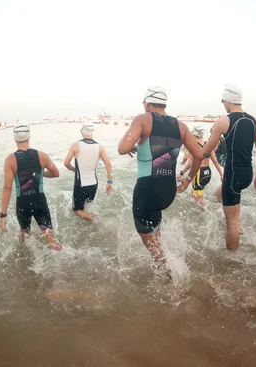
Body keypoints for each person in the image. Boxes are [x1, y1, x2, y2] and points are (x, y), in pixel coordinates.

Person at [117, 86, 203, 268]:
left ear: (148, 103)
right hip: (168, 190)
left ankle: (167, 273)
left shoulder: (143, 119)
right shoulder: (181, 126)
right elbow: (199, 155)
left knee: (147, 239)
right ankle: (168, 263)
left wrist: (134, 145)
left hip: (148, 188)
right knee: (154, 231)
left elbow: (122, 148)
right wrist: (187, 180)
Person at [203, 84, 256, 250]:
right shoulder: (255, 122)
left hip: (233, 174)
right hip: (247, 173)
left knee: (231, 220)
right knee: (219, 194)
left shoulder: (224, 121)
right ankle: (236, 224)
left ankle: (232, 256)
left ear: (227, 100)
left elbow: (206, 151)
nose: (223, 104)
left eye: (222, 101)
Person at [0, 124, 62, 251]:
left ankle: (28, 262)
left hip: (23, 204)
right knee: (50, 237)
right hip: (39, 201)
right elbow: (56, 174)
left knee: (25, 234)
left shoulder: (10, 160)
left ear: (15, 139)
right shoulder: (42, 156)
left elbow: (7, 188)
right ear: (29, 137)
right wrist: (40, 173)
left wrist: (4, 215)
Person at [63, 124, 113, 222]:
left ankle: (96, 221)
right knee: (89, 204)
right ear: (92, 133)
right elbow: (108, 164)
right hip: (94, 183)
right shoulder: (100, 147)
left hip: (81, 183)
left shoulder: (76, 145)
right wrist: (109, 182)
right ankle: (92, 219)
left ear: (82, 133)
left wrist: (74, 170)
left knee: (77, 210)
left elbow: (66, 163)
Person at [178, 126, 223, 207]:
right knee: (195, 193)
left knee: (198, 199)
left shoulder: (194, 145)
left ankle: (206, 215)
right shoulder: (207, 144)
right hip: (207, 173)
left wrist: (181, 172)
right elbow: (215, 160)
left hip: (199, 173)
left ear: (194, 134)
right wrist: (221, 174)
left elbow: (190, 161)